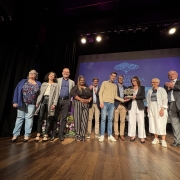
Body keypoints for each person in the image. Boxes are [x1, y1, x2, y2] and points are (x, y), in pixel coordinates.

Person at [12, 70, 41, 142]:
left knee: (29, 118)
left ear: (36, 75)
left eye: (33, 73)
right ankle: (15, 135)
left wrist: (38, 102)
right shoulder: (23, 81)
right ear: (28, 74)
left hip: (32, 103)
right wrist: (15, 101)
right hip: (22, 102)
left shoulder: (38, 83)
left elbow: (40, 94)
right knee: (20, 118)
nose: (32, 74)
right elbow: (17, 91)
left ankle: (26, 135)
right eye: (30, 73)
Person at [98, 72, 128, 142]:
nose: (113, 77)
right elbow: (100, 93)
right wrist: (101, 102)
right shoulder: (104, 82)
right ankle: (102, 135)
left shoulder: (115, 85)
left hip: (112, 104)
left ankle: (110, 135)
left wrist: (123, 100)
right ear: (110, 76)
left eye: (115, 76)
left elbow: (115, 96)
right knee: (103, 119)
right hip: (104, 103)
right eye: (112, 76)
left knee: (110, 120)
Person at [35, 72, 59, 142]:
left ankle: (46, 134)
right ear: (48, 76)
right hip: (43, 100)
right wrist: (37, 102)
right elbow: (40, 94)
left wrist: (54, 104)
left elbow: (56, 95)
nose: (51, 76)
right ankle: (38, 134)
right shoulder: (44, 84)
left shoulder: (56, 85)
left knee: (49, 117)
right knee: (40, 117)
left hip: (50, 101)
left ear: (54, 77)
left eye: (53, 75)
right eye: (50, 75)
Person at [52, 68, 75, 141]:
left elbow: (72, 92)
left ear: (69, 73)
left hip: (66, 101)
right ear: (62, 73)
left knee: (64, 118)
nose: (66, 73)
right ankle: (53, 133)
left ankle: (60, 134)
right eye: (65, 72)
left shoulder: (72, 82)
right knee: (55, 117)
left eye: (67, 72)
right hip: (58, 100)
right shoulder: (57, 80)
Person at [147, 78, 168, 147]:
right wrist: (148, 107)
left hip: (159, 108)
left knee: (161, 123)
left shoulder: (162, 90)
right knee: (153, 123)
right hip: (152, 108)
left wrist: (162, 109)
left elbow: (165, 99)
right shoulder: (150, 91)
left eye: (154, 82)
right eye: (152, 82)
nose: (153, 83)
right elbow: (148, 100)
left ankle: (163, 140)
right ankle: (156, 138)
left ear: (158, 83)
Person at [71, 76, 92, 141]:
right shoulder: (76, 87)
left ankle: (82, 135)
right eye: (81, 80)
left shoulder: (87, 88)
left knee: (84, 120)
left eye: (83, 80)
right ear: (78, 81)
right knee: (78, 119)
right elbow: (72, 93)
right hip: (78, 103)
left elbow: (91, 96)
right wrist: (81, 99)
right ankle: (77, 135)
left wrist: (88, 100)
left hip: (86, 104)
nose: (82, 81)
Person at [127, 76, 146, 143]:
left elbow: (143, 96)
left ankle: (142, 137)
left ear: (137, 81)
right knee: (131, 121)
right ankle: (132, 136)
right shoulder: (129, 88)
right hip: (131, 105)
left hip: (139, 106)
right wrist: (127, 97)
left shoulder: (142, 88)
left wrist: (136, 97)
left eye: (134, 80)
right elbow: (127, 97)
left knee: (141, 121)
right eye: (132, 81)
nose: (133, 82)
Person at [164, 70, 180, 147]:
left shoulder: (179, 82)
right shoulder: (166, 84)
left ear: (177, 75)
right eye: (169, 75)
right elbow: (165, 94)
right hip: (171, 104)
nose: (171, 76)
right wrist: (168, 88)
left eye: (173, 74)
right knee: (174, 124)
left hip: (179, 104)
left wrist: (173, 86)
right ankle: (177, 141)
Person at [114, 75, 127, 141]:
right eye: (119, 78)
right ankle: (116, 134)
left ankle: (121, 134)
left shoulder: (126, 88)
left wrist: (127, 107)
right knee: (116, 120)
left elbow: (128, 97)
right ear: (117, 79)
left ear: (123, 79)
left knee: (123, 121)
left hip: (123, 106)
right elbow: (112, 96)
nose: (121, 79)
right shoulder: (114, 87)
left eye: (122, 78)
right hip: (116, 105)